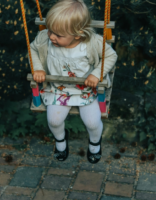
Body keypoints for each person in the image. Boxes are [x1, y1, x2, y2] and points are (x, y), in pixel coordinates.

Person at [29, 0, 117, 164]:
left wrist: (97, 74)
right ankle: (61, 141)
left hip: (86, 90)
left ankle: (95, 143)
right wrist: (38, 69)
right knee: (53, 121)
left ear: (78, 34)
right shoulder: (45, 38)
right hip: (57, 89)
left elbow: (111, 56)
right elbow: (32, 49)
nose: (52, 37)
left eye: (58, 35)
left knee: (92, 123)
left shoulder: (92, 42)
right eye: (51, 31)